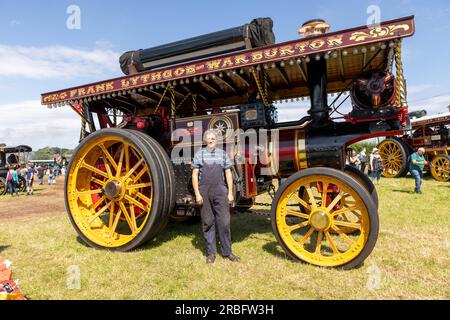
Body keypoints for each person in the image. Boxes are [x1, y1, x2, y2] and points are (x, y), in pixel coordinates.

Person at [191, 129, 240, 264]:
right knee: (208, 222)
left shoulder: (222, 154)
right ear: (205, 140)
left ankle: (227, 252)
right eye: (209, 138)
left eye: (213, 138)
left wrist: (230, 192)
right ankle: (211, 253)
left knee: (224, 222)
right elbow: (194, 175)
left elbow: (228, 173)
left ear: (216, 141)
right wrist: (197, 194)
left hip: (220, 190)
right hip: (204, 191)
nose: (211, 140)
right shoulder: (199, 155)